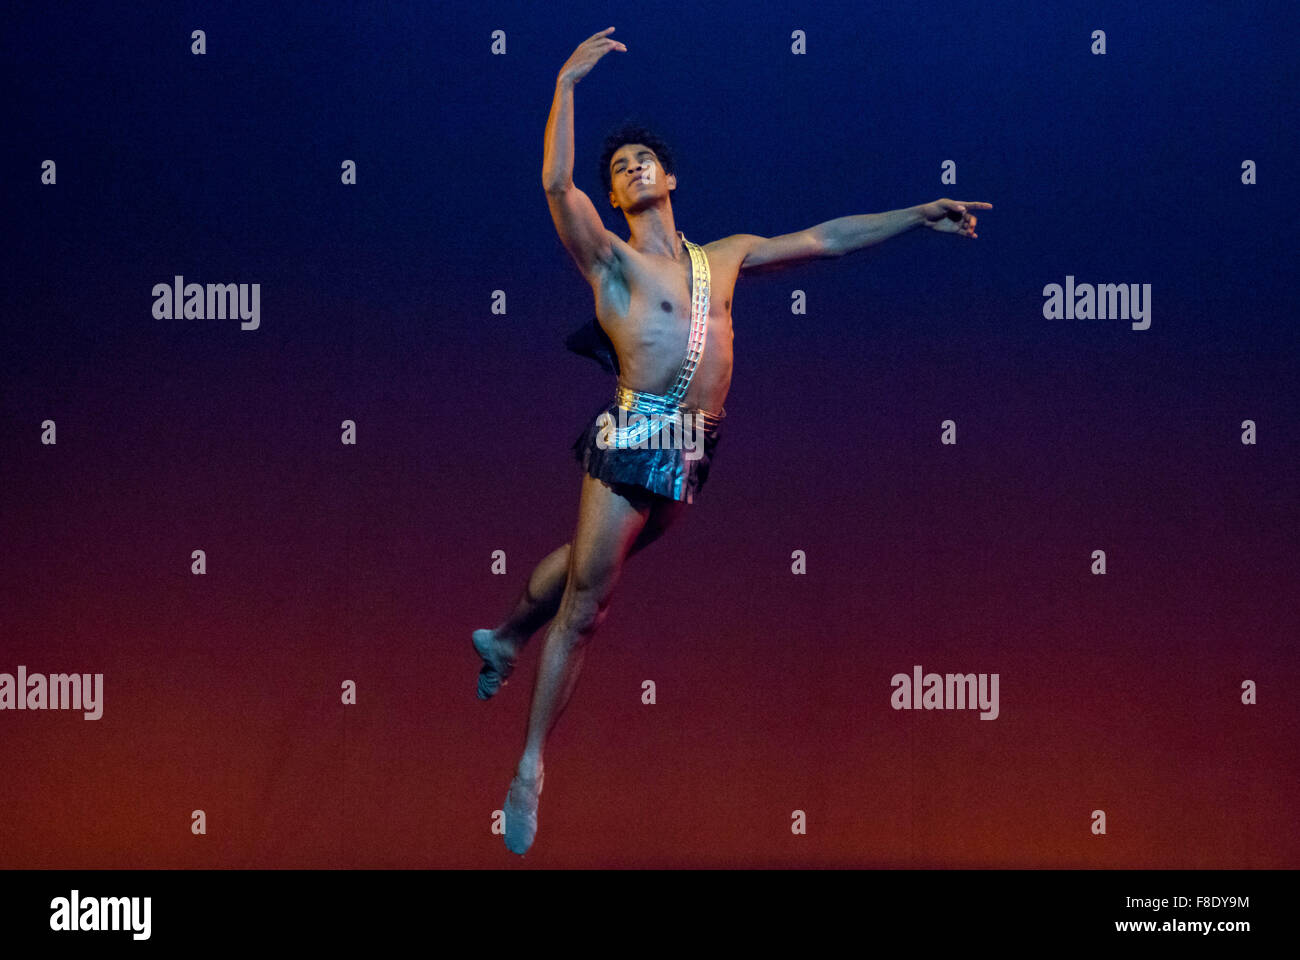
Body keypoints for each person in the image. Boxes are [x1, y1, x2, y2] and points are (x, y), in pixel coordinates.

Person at [474, 26, 992, 855]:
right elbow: (553, 182)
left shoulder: (726, 257)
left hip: (693, 449)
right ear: (614, 198)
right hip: (634, 430)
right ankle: (530, 766)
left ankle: (502, 637)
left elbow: (825, 239)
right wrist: (566, 85)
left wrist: (916, 215)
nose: (633, 168)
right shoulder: (608, 261)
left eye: (645, 160)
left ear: (672, 179)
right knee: (588, 609)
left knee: (582, 570)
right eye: (620, 168)